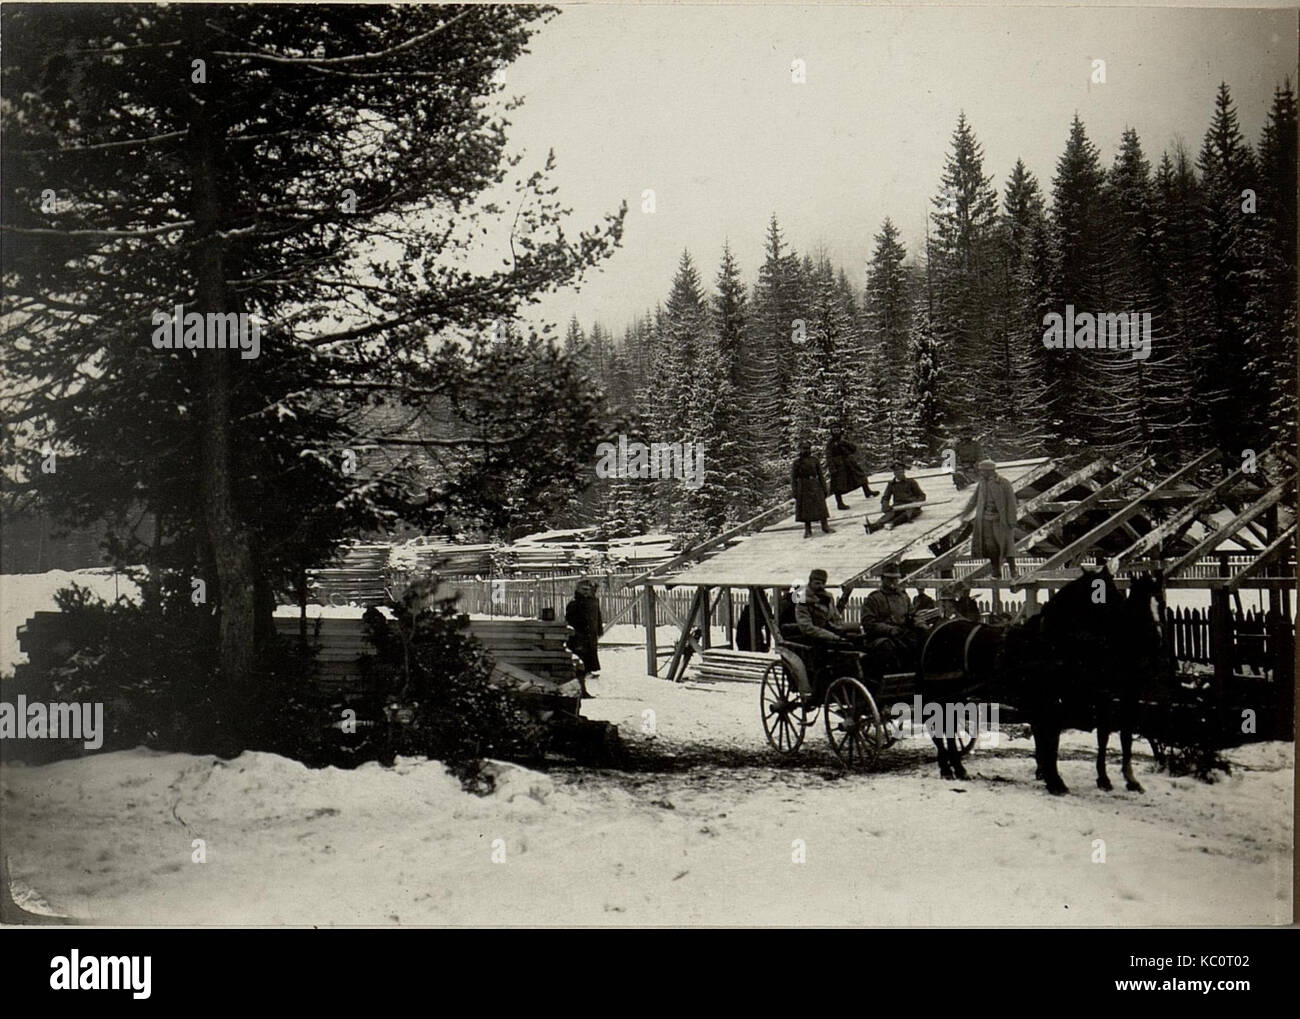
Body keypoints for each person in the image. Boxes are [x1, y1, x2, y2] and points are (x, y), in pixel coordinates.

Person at [961, 459, 1018, 579]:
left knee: (1007, 546)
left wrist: (1012, 521)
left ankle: (1014, 572)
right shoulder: (981, 484)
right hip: (985, 520)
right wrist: (964, 514)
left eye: (983, 471)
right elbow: (974, 500)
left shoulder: (1003, 483)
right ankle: (996, 571)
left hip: (1001, 521)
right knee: (991, 547)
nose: (981, 473)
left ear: (990, 471)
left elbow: (1011, 502)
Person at [859, 563, 923, 670]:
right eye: (889, 579)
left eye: (895, 579)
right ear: (883, 579)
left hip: (901, 635)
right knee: (887, 647)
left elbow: (913, 615)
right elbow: (868, 623)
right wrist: (889, 629)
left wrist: (920, 624)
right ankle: (889, 679)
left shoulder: (903, 598)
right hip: (879, 638)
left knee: (919, 643)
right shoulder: (874, 599)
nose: (893, 582)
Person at [564, 579, 603, 698]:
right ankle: (580, 690)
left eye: (588, 590)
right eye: (583, 590)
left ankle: (583, 690)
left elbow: (598, 617)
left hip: (590, 639)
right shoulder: (574, 604)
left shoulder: (592, 603)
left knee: (587, 665)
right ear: (578, 590)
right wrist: (575, 636)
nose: (586, 592)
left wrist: (599, 630)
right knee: (579, 667)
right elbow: (570, 622)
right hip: (578, 639)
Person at [825, 426, 879, 510]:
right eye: (834, 430)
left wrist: (844, 443)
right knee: (838, 485)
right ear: (832, 432)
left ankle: (867, 491)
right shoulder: (830, 443)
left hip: (849, 463)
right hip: (838, 466)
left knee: (860, 476)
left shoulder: (843, 441)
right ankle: (840, 503)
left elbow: (853, 448)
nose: (836, 432)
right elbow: (828, 457)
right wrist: (832, 468)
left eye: (838, 430)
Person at [867, 461, 926, 533]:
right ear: (894, 473)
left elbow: (922, 495)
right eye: (897, 472)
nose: (900, 474)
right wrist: (885, 505)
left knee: (906, 514)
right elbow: (886, 497)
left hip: (911, 506)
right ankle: (875, 526)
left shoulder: (911, 482)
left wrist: (915, 503)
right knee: (890, 514)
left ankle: (892, 524)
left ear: (904, 472)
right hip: (898, 505)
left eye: (901, 472)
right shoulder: (891, 484)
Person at [791, 442, 834, 539]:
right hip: (803, 486)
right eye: (803, 448)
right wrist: (794, 490)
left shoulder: (814, 460)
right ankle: (808, 529)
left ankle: (825, 526)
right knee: (806, 508)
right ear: (800, 449)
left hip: (815, 484)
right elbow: (793, 478)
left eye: (807, 448)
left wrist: (824, 487)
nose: (806, 450)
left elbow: (820, 475)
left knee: (821, 505)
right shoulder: (797, 462)